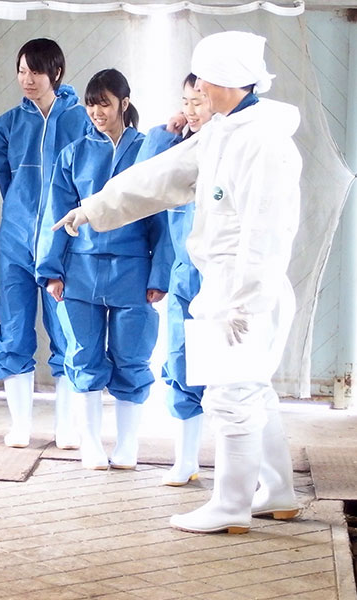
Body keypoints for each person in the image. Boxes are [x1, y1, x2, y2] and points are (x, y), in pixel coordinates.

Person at [53, 31, 300, 533]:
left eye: (202, 82)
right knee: (254, 391)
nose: (197, 92)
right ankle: (278, 490)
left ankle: (231, 504)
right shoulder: (225, 131)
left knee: (231, 396)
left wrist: (243, 300)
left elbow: (269, 231)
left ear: (224, 79)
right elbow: (160, 176)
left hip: (244, 292)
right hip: (227, 286)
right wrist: (94, 208)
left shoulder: (261, 140)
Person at [35, 68, 172, 470]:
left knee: (132, 358)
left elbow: (162, 217)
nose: (96, 111)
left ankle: (128, 444)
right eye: (91, 104)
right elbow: (55, 215)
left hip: (133, 270)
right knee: (83, 356)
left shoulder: (149, 152)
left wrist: (159, 274)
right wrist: (51, 270)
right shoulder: (73, 154)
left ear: (124, 104)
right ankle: (91, 443)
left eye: (105, 103)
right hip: (81, 270)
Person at [0, 38, 92, 449]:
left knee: (66, 333)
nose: (26, 79)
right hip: (15, 240)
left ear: (56, 73)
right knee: (14, 331)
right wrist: (22, 213)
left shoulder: (82, 120)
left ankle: (65, 427)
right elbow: (6, 181)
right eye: (21, 70)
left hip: (63, 240)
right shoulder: (7, 125)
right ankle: (21, 426)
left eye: (35, 71)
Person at [136, 74, 214, 486]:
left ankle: (255, 472)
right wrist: (164, 135)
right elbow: (144, 179)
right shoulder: (180, 146)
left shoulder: (232, 146)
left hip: (223, 280)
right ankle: (186, 460)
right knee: (180, 364)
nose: (190, 109)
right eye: (185, 101)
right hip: (186, 277)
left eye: (198, 101)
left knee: (232, 376)